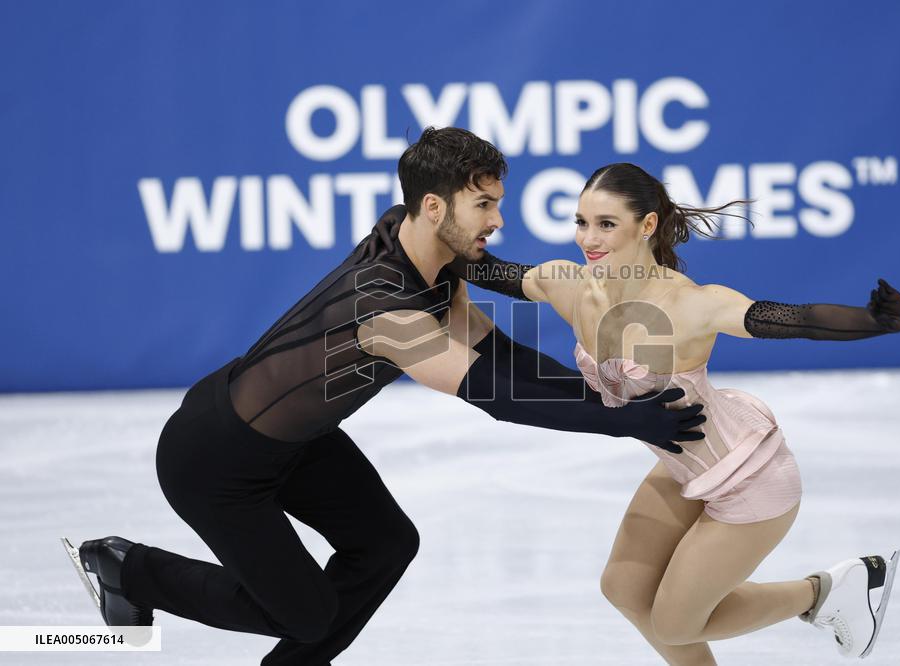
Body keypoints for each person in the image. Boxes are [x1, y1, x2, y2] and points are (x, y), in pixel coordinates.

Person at [62, 132, 707, 665]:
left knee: (386, 543)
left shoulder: (414, 238)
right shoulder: (386, 311)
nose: (498, 220)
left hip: (297, 439)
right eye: (483, 205)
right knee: (309, 615)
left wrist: (607, 398)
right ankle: (131, 570)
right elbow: (492, 394)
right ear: (435, 207)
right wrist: (620, 421)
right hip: (218, 458)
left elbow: (500, 354)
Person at [442, 161, 900, 663]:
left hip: (751, 478)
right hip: (681, 465)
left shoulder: (690, 304)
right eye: (581, 222)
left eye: (606, 224)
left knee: (676, 622)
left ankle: (823, 593)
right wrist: (422, 232)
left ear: (646, 226)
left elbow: (787, 319)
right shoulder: (568, 284)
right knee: (623, 586)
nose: (588, 239)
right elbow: (486, 269)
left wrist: (872, 322)